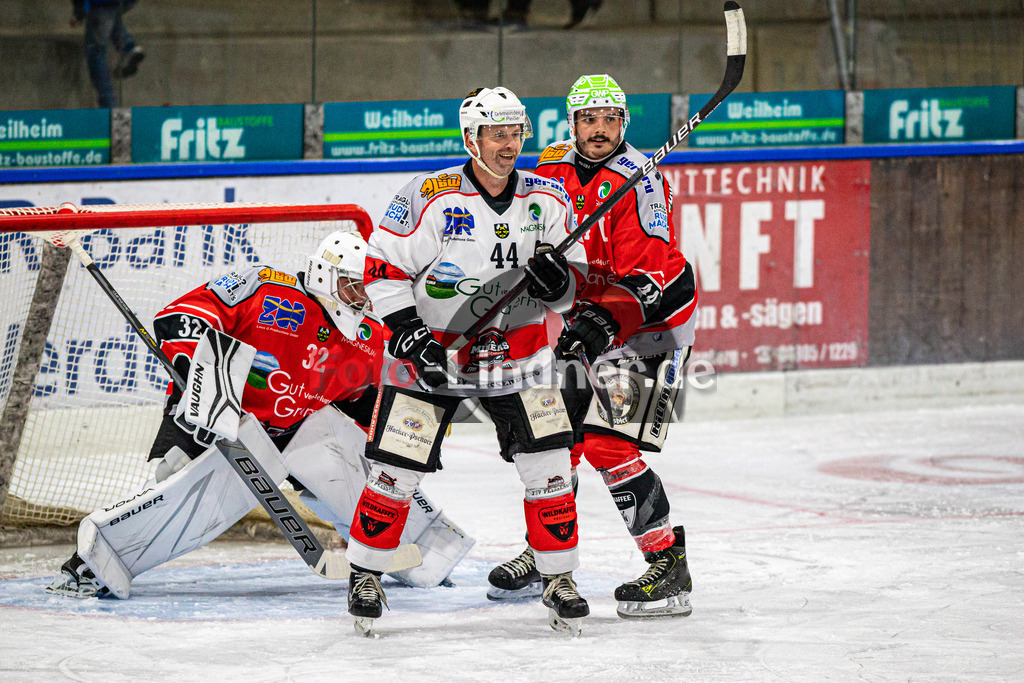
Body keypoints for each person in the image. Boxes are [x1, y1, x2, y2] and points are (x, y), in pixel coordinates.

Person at [47, 231, 473, 599]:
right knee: (168, 485)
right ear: (325, 274)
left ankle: (428, 552)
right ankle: (91, 564)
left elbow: (366, 401)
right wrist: (195, 366)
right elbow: (182, 317)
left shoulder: (368, 335)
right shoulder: (267, 287)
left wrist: (411, 431)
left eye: (367, 289)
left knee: (361, 471)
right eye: (353, 286)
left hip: (296, 429)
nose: (361, 298)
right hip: (216, 416)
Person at [350, 85, 591, 635]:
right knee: (395, 470)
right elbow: (382, 268)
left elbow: (575, 281)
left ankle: (558, 578)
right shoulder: (431, 196)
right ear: (471, 138)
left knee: (551, 466)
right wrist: (410, 334)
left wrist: (562, 282)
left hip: (521, 355)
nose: (509, 145)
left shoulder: (546, 199)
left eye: (516, 133)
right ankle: (364, 574)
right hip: (434, 355)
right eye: (497, 134)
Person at [487, 74, 698, 619]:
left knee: (608, 446)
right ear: (572, 122)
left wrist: (605, 319)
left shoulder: (643, 180)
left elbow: (654, 271)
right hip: (589, 320)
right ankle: (548, 551)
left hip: (652, 324)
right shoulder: (552, 167)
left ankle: (668, 566)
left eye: (610, 120)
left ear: (623, 124)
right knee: (557, 441)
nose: (599, 129)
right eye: (588, 119)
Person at [71, 0, 146, 108]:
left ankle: (108, 102)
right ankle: (129, 47)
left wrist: (79, 12)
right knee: (111, 15)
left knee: (96, 53)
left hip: (99, 4)